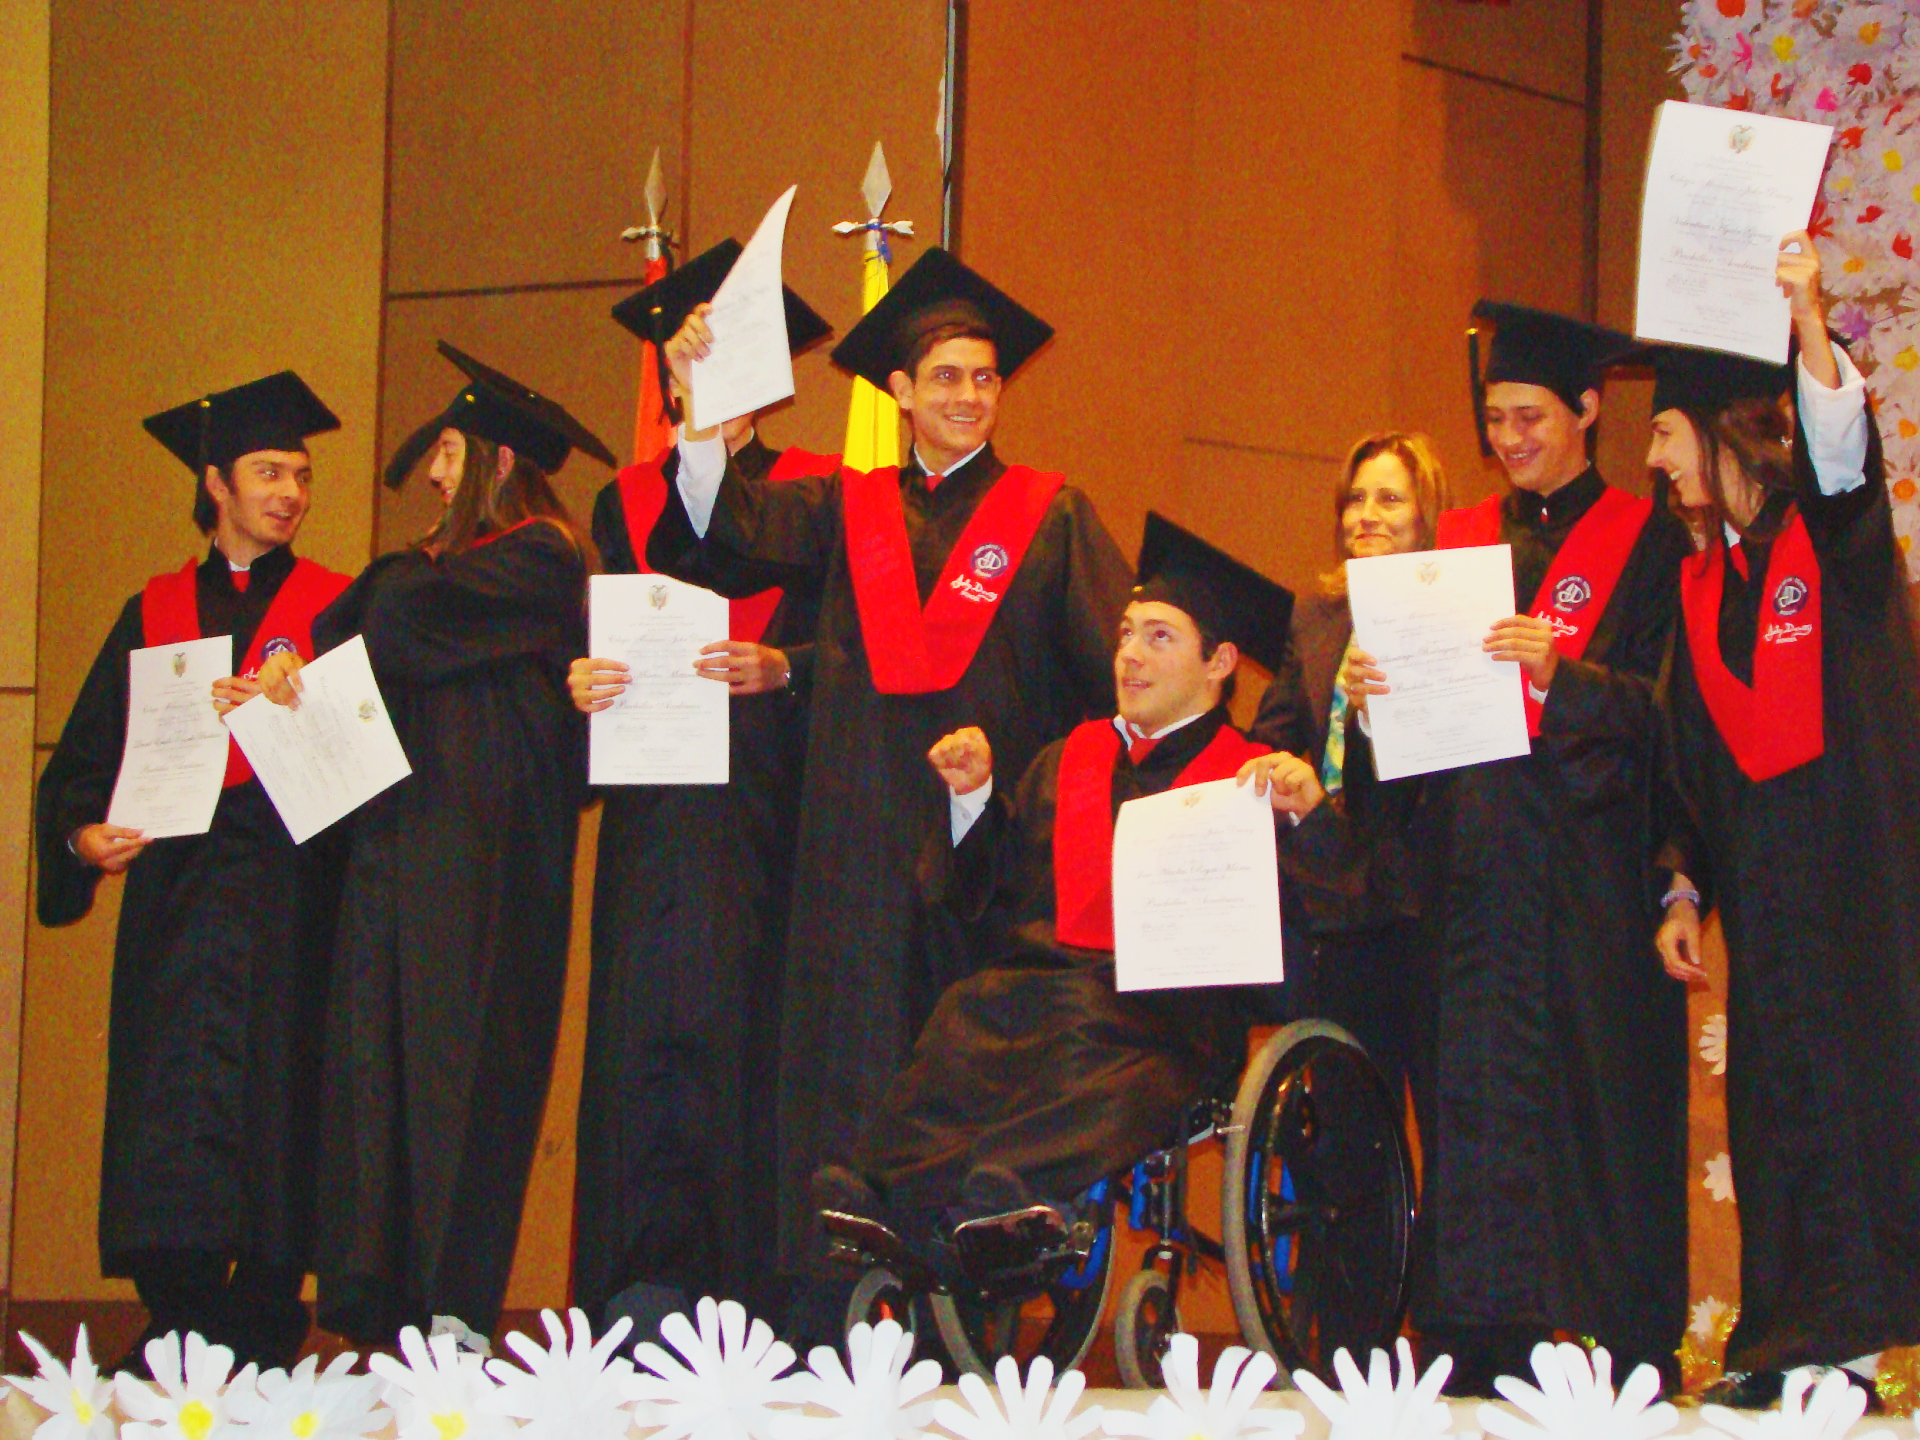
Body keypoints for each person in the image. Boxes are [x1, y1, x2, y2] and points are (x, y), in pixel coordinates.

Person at [648, 246, 1132, 1337]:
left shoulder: (1050, 520)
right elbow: (728, 527)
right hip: (847, 860)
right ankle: (827, 1315)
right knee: (838, 1081)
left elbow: (1116, 691)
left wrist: (1012, 782)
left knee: (957, 1095)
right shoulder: (843, 509)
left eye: (985, 377)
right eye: (946, 376)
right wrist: (702, 406)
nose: (969, 395)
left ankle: (959, 1312)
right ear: (899, 391)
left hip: (980, 864)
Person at [1348, 304, 1693, 1391]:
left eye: (1532, 415)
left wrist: (1565, 677)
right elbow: (1398, 765)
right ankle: (1474, 1346)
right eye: (1496, 419)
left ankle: (1613, 1345)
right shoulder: (1453, 546)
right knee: (1468, 1110)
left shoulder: (1648, 541)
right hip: (1467, 886)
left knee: (1596, 1114)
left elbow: (1675, 718)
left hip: (1589, 887)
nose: (1512, 439)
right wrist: (1367, 706)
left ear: (1589, 409)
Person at [821, 514, 1325, 1250]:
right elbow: (985, 894)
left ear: (1220, 664)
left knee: (1082, 1028)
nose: (1129, 655)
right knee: (970, 1008)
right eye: (1125, 632)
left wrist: (1304, 820)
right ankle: (888, 1192)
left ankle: (1009, 1192)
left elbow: (1298, 947)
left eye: (1160, 637)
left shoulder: (1252, 781)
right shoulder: (1067, 760)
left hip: (1168, 1022)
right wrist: (973, 800)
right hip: (1044, 989)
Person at [255, 342, 608, 1345]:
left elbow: (394, 621)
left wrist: (362, 605)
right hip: (399, 856)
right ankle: (377, 1295)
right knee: (379, 1067)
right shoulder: (446, 572)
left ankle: (449, 1301)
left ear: (498, 461)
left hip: (487, 871)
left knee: (464, 1069)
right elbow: (348, 636)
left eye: (451, 453)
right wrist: (298, 655)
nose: (438, 475)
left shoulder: (544, 556)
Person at [1648, 232, 1920, 1410]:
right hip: (1766, 891)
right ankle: (1790, 1336)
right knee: (1776, 1113)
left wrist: (1808, 318)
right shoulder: (1703, 586)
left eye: (1665, 434)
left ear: (1721, 434)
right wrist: (1682, 884)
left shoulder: (1833, 541)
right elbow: (1692, 761)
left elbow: (1847, 455)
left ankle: (1856, 1345)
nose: (1653, 458)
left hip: (1861, 875)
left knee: (1860, 1100)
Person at [35, 372, 351, 1372]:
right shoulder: (155, 610)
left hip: (292, 898)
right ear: (216, 483)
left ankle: (259, 1318)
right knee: (173, 1108)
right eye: (268, 471)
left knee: (281, 1099)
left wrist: (311, 709)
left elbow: (375, 775)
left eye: (300, 473)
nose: (290, 491)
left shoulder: (336, 608)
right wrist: (87, 839)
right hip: (178, 904)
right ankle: (176, 1320)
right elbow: (83, 766)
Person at [566, 246, 833, 1337]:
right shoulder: (620, 500)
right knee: (640, 1031)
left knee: (745, 1034)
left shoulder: (817, 489)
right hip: (651, 817)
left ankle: (743, 1294)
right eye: (688, 358)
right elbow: (611, 631)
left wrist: (787, 668)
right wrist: (575, 682)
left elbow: (854, 660)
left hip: (766, 815)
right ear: (671, 380)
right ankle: (638, 1284)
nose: (708, 374)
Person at [1249, 431, 1449, 1128]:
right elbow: (1276, 728)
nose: (1367, 513)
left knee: (1438, 1130)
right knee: (1342, 1131)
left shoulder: (1451, 616)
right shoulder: (1316, 614)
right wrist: (1268, 766)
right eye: (1356, 498)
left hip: (1417, 906)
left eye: (1390, 498)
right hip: (1328, 898)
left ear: (1426, 516)